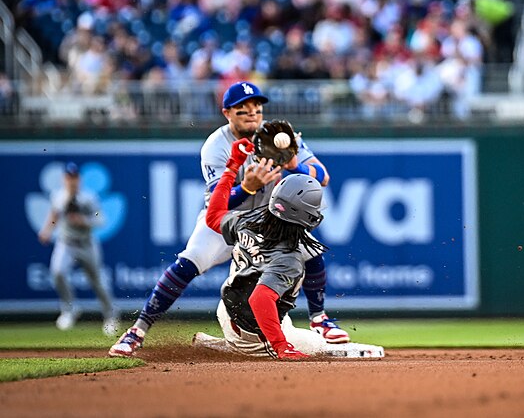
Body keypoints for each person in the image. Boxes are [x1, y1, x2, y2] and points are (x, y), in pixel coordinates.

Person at [109, 81, 349, 357]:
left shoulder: (281, 135)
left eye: (256, 107)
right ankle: (137, 331)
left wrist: (295, 165)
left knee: (309, 251)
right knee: (190, 260)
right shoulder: (216, 145)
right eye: (242, 109)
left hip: (268, 220)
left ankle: (319, 319)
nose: (251, 113)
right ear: (227, 113)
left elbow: (323, 176)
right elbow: (215, 203)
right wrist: (247, 187)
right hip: (226, 218)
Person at [204, 138, 325, 359]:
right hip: (255, 334)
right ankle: (237, 348)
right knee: (320, 346)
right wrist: (281, 346)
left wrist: (233, 166)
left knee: (282, 315)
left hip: (226, 310)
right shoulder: (290, 256)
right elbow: (259, 300)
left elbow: (212, 216)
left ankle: (230, 343)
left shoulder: (247, 220)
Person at [38, 162, 119, 336]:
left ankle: (110, 315)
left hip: (86, 244)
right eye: (68, 178)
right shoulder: (58, 197)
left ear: (79, 179)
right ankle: (69, 309)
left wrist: (85, 220)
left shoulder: (88, 198)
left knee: (96, 281)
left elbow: (100, 216)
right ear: (64, 179)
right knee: (57, 272)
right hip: (66, 242)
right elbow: (54, 215)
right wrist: (46, 230)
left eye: (74, 178)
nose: (71, 181)